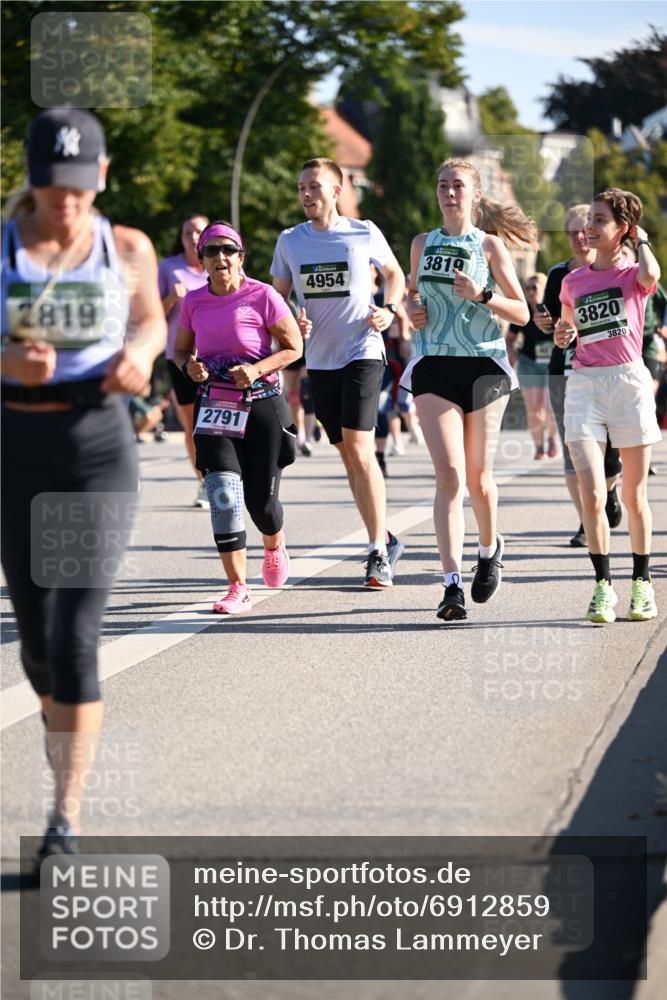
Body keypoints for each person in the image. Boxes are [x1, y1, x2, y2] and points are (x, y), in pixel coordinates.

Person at [0, 108, 166, 858]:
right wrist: (6, 360)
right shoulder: (4, 245)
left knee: (73, 636)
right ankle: (58, 728)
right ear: (30, 180)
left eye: (76, 185)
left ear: (100, 176)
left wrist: (139, 353)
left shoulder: (125, 246)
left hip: (97, 445)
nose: (63, 200)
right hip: (15, 443)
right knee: (36, 644)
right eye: (48, 184)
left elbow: (154, 321)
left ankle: (65, 817)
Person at [404, 158, 534, 622]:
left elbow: (520, 312)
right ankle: (451, 585)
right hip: (434, 364)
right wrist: (412, 310)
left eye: (458, 185)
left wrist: (482, 295)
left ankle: (489, 548)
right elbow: (411, 294)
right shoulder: (422, 243)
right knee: (450, 476)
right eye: (442, 185)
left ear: (474, 195)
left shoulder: (489, 245)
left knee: (479, 478)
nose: (449, 193)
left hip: (483, 365)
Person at [271, 158, 406, 587]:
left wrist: (389, 309)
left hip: (363, 349)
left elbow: (394, 274)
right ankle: (383, 533)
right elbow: (278, 299)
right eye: (301, 188)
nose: (306, 194)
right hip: (320, 359)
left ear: (336, 189)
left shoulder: (363, 232)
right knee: (348, 453)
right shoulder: (291, 241)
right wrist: (294, 322)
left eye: (314, 186)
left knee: (361, 449)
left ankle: (376, 552)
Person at [174, 221, 302, 614]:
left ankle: (274, 543)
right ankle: (237, 586)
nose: (221, 258)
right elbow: (181, 353)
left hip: (262, 404)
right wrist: (190, 368)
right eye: (211, 252)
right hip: (216, 406)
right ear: (202, 261)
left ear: (241, 257)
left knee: (262, 505)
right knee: (224, 493)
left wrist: (258, 368)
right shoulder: (193, 302)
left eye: (228, 250)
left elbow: (293, 346)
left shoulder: (261, 295)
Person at [555, 188, 661, 623]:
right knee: (593, 495)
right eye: (589, 219)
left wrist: (644, 240)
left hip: (628, 382)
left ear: (622, 230)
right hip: (584, 384)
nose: (589, 227)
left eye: (600, 220)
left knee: (635, 497)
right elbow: (567, 326)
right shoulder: (573, 280)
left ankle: (642, 583)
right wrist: (564, 335)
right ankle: (603, 587)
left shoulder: (634, 274)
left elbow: (653, 273)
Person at [534, 205, 622, 548]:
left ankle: (609, 492)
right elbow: (552, 322)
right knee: (574, 451)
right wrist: (545, 325)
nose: (577, 238)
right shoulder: (558, 275)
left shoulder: (615, 269)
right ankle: (587, 521)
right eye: (570, 233)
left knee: (611, 454)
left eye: (582, 231)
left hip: (608, 372)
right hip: (565, 372)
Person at [158, 213, 210, 506]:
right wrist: (170, 299)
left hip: (216, 355)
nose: (192, 237)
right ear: (181, 239)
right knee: (192, 423)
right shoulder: (168, 269)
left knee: (218, 420)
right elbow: (153, 315)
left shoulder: (220, 263)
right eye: (187, 232)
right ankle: (203, 481)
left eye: (198, 232)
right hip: (179, 357)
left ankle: (227, 475)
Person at [506, 273, 559, 460]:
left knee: (550, 405)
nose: (530, 292)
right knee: (533, 409)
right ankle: (538, 446)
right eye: (527, 288)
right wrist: (512, 358)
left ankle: (552, 438)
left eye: (534, 288)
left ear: (545, 289)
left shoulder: (553, 308)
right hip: (529, 362)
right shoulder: (523, 311)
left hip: (552, 362)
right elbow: (509, 340)